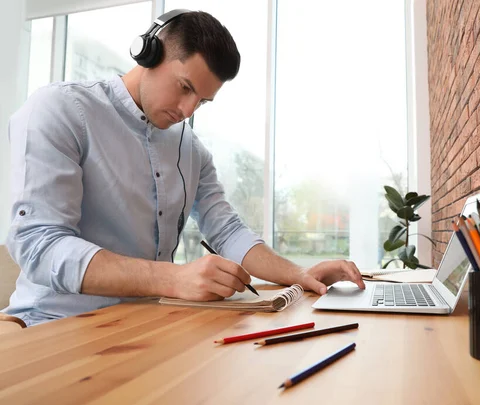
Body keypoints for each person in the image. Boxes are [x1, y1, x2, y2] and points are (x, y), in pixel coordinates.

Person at [2, 10, 365, 326]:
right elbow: (39, 245)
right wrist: (174, 279)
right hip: (54, 326)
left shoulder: (190, 150)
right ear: (149, 54)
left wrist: (298, 274)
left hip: (145, 326)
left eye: (202, 101)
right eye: (184, 87)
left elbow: (227, 231)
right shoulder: (60, 110)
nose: (188, 111)